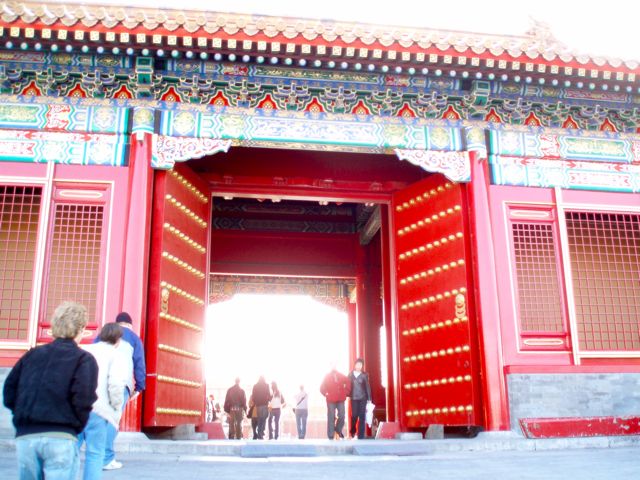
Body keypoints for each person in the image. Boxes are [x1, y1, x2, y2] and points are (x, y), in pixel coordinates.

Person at [3, 301, 98, 480]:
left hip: (26, 434)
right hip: (61, 433)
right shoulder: (83, 359)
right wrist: (76, 425)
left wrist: (23, 414)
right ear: (82, 328)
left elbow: (9, 392)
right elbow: (83, 397)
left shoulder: (32, 355)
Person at [99, 311, 146, 471]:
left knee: (96, 419)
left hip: (99, 381)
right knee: (112, 419)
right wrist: (139, 386)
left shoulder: (102, 335)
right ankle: (107, 458)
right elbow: (139, 363)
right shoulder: (133, 338)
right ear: (130, 325)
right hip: (120, 382)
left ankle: (94, 454)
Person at [80, 323, 126, 480]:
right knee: (94, 454)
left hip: (78, 407)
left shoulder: (85, 350)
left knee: (71, 449)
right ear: (118, 339)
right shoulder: (116, 355)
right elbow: (115, 384)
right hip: (99, 409)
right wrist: (116, 406)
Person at [320, 364, 351, 440]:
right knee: (331, 417)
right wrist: (326, 394)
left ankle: (338, 429)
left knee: (342, 415)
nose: (333, 367)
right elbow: (321, 388)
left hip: (340, 398)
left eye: (334, 366)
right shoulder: (327, 376)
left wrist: (346, 392)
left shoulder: (341, 375)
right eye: (332, 366)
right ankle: (330, 435)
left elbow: (348, 382)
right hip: (330, 399)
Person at [348, 358, 372, 439]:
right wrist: (346, 395)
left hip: (363, 398)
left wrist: (369, 399)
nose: (359, 366)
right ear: (355, 365)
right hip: (354, 398)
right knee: (354, 415)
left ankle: (360, 436)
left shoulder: (365, 375)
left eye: (361, 364)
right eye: (358, 364)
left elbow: (367, 387)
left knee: (362, 416)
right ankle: (353, 430)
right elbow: (347, 386)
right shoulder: (350, 374)